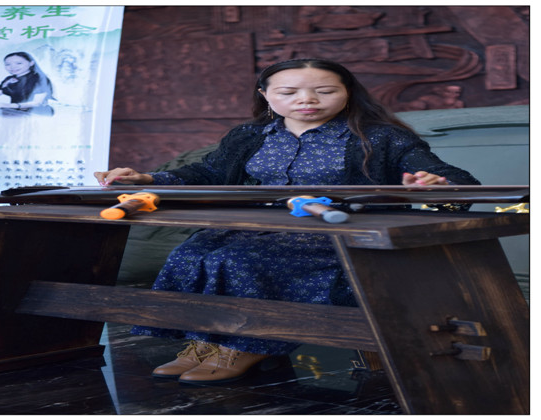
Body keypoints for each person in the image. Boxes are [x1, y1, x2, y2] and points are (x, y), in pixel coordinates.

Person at [93, 58, 480, 385]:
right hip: (257, 228)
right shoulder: (250, 135)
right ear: (265, 95)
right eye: (288, 92)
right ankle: (207, 342)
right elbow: (206, 173)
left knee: (239, 262)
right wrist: (145, 179)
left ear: (348, 92)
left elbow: (454, 180)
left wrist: (432, 184)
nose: (306, 100)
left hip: (333, 234)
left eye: (324, 91)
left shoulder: (379, 137)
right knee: (190, 254)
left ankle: (246, 345)